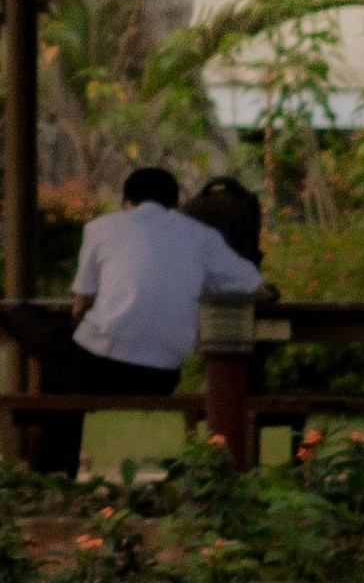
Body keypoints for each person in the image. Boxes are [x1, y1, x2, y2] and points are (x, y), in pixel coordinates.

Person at [29, 165, 261, 475]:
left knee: (23, 320)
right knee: (58, 380)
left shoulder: (101, 228)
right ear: (176, 203)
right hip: (161, 377)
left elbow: (81, 302)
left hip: (99, 370)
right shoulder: (201, 236)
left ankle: (50, 475)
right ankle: (52, 471)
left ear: (126, 202)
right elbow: (252, 283)